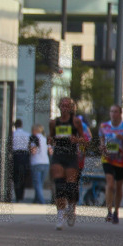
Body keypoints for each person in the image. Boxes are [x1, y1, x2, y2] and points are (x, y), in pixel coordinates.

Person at [49, 97, 87, 230]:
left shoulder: (76, 122)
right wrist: (50, 139)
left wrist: (76, 139)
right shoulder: (54, 122)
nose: (64, 108)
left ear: (71, 108)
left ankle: (71, 208)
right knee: (59, 187)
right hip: (58, 155)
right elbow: (51, 138)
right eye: (62, 105)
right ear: (59, 107)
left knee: (71, 188)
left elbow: (84, 139)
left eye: (67, 105)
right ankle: (60, 216)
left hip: (71, 156)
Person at [99, 104, 123, 223]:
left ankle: (116, 211)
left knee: (119, 186)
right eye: (111, 111)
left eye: (115, 111)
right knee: (110, 184)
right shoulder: (104, 126)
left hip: (121, 160)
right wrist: (102, 147)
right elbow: (101, 142)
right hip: (108, 159)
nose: (113, 114)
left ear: (120, 113)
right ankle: (109, 211)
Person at [29, 124, 50, 205]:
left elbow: (33, 151)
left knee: (37, 184)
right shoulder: (45, 138)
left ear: (34, 130)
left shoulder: (34, 138)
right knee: (40, 183)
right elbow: (50, 151)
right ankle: (36, 200)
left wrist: (30, 149)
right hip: (46, 163)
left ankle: (41, 201)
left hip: (36, 163)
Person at [11, 119, 31, 203]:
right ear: (22, 125)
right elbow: (30, 145)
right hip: (25, 155)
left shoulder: (13, 134)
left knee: (16, 176)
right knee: (23, 176)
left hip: (16, 155)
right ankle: (21, 195)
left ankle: (17, 195)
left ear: (15, 126)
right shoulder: (27, 134)